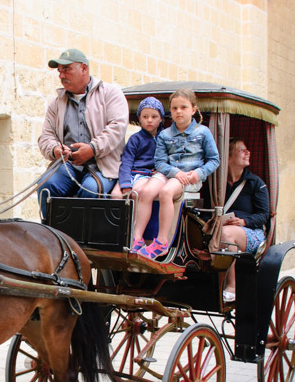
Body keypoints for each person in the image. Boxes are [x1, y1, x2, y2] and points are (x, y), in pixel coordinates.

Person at [37, 48, 129, 219]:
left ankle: (81, 236)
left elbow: (117, 127)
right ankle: (50, 233)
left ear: (84, 69)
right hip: (69, 165)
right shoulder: (56, 104)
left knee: (90, 190)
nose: (61, 75)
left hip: (102, 165)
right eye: (59, 71)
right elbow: (46, 136)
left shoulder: (111, 93)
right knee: (45, 186)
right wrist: (55, 150)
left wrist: (93, 148)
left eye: (66, 69)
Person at [139, 89, 219, 260]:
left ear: (193, 109)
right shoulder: (165, 135)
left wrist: (199, 173)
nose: (179, 111)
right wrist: (175, 172)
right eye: (174, 108)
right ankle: (136, 238)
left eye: (183, 107)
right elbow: (159, 162)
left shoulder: (203, 132)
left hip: (189, 178)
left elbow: (214, 160)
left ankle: (161, 241)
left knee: (166, 192)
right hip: (169, 173)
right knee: (145, 191)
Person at [111, 97, 166, 254]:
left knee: (137, 193)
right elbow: (126, 162)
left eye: (154, 117)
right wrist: (125, 184)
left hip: (147, 175)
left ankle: (137, 236)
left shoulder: (164, 138)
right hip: (132, 173)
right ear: (139, 118)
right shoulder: (135, 139)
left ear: (161, 119)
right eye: (145, 116)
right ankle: (118, 234)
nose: (149, 120)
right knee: (116, 195)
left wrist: (159, 169)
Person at [221, 138, 270, 301]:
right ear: (229, 157)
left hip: (251, 233)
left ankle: (232, 286)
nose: (248, 153)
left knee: (226, 233)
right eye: (242, 150)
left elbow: (264, 215)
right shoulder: (216, 184)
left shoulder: (255, 183)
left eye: (246, 149)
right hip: (219, 230)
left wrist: (243, 222)